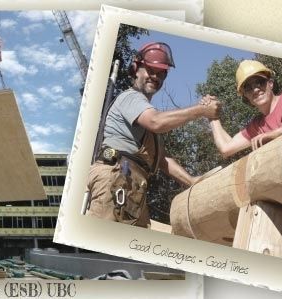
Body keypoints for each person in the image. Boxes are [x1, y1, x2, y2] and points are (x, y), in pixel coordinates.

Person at [85, 41, 221, 227]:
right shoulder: (131, 98)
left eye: (161, 73)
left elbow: (162, 160)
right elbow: (156, 122)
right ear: (136, 69)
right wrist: (201, 110)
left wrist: (191, 180)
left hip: (131, 185)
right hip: (115, 179)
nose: (155, 76)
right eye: (151, 70)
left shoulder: (144, 113)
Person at [209, 60, 282, 158]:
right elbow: (226, 149)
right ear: (245, 96)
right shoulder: (256, 127)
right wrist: (212, 116)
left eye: (260, 82)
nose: (256, 90)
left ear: (270, 83)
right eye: (248, 88)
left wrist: (273, 134)